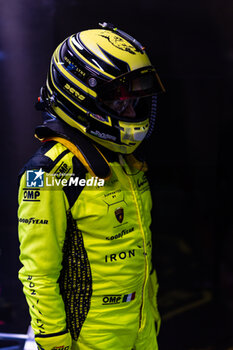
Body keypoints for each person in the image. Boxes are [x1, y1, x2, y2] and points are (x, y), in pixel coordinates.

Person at [18, 22, 165, 350]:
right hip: (88, 335)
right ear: (80, 92)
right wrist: (54, 342)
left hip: (141, 325)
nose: (128, 110)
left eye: (132, 100)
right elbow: (37, 274)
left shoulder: (125, 160)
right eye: (118, 100)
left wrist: (151, 315)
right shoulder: (50, 172)